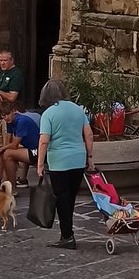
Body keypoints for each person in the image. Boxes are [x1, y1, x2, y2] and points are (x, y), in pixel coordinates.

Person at [36, 79, 93, 250]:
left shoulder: (48, 114)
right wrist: (90, 157)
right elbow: (89, 134)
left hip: (59, 161)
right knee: (71, 198)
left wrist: (40, 164)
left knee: (62, 198)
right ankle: (67, 233)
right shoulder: (78, 109)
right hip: (78, 159)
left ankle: (67, 236)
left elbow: (44, 141)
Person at [0, 108, 40, 192]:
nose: (6, 117)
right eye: (4, 116)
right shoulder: (9, 122)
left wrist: (3, 148)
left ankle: (12, 188)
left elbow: (14, 145)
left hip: (37, 150)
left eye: (8, 114)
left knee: (8, 154)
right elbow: (8, 141)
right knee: (5, 153)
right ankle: (4, 181)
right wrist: (3, 149)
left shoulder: (21, 121)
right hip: (29, 147)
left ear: (13, 112)